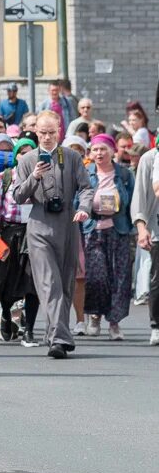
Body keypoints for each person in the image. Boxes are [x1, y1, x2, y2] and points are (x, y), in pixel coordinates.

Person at [11, 111, 92, 359]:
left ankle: (54, 334)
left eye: (51, 132)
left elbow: (87, 188)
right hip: (39, 227)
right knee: (50, 284)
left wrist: (84, 209)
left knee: (65, 284)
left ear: (59, 131)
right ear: (36, 133)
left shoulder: (71, 157)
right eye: (42, 133)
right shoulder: (27, 161)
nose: (46, 137)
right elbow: (17, 196)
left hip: (68, 225)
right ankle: (60, 338)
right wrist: (34, 177)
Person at [0, 137, 40, 345]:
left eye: (31, 152)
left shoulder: (42, 177)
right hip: (10, 235)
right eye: (22, 152)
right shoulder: (5, 177)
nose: (26, 156)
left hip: (34, 234)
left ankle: (30, 330)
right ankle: (7, 314)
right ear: (16, 156)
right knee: (5, 284)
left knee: (32, 283)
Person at [82, 133, 134, 340]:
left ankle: (114, 322)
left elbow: (131, 201)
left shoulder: (124, 174)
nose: (99, 153)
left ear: (112, 151)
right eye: (95, 149)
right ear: (90, 152)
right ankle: (94, 316)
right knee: (97, 275)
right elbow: (79, 198)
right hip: (93, 228)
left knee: (120, 277)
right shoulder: (86, 173)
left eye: (103, 149)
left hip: (118, 228)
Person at [131, 144, 159, 346]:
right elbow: (140, 195)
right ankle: (156, 325)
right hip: (157, 227)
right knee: (157, 279)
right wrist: (142, 228)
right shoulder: (150, 158)